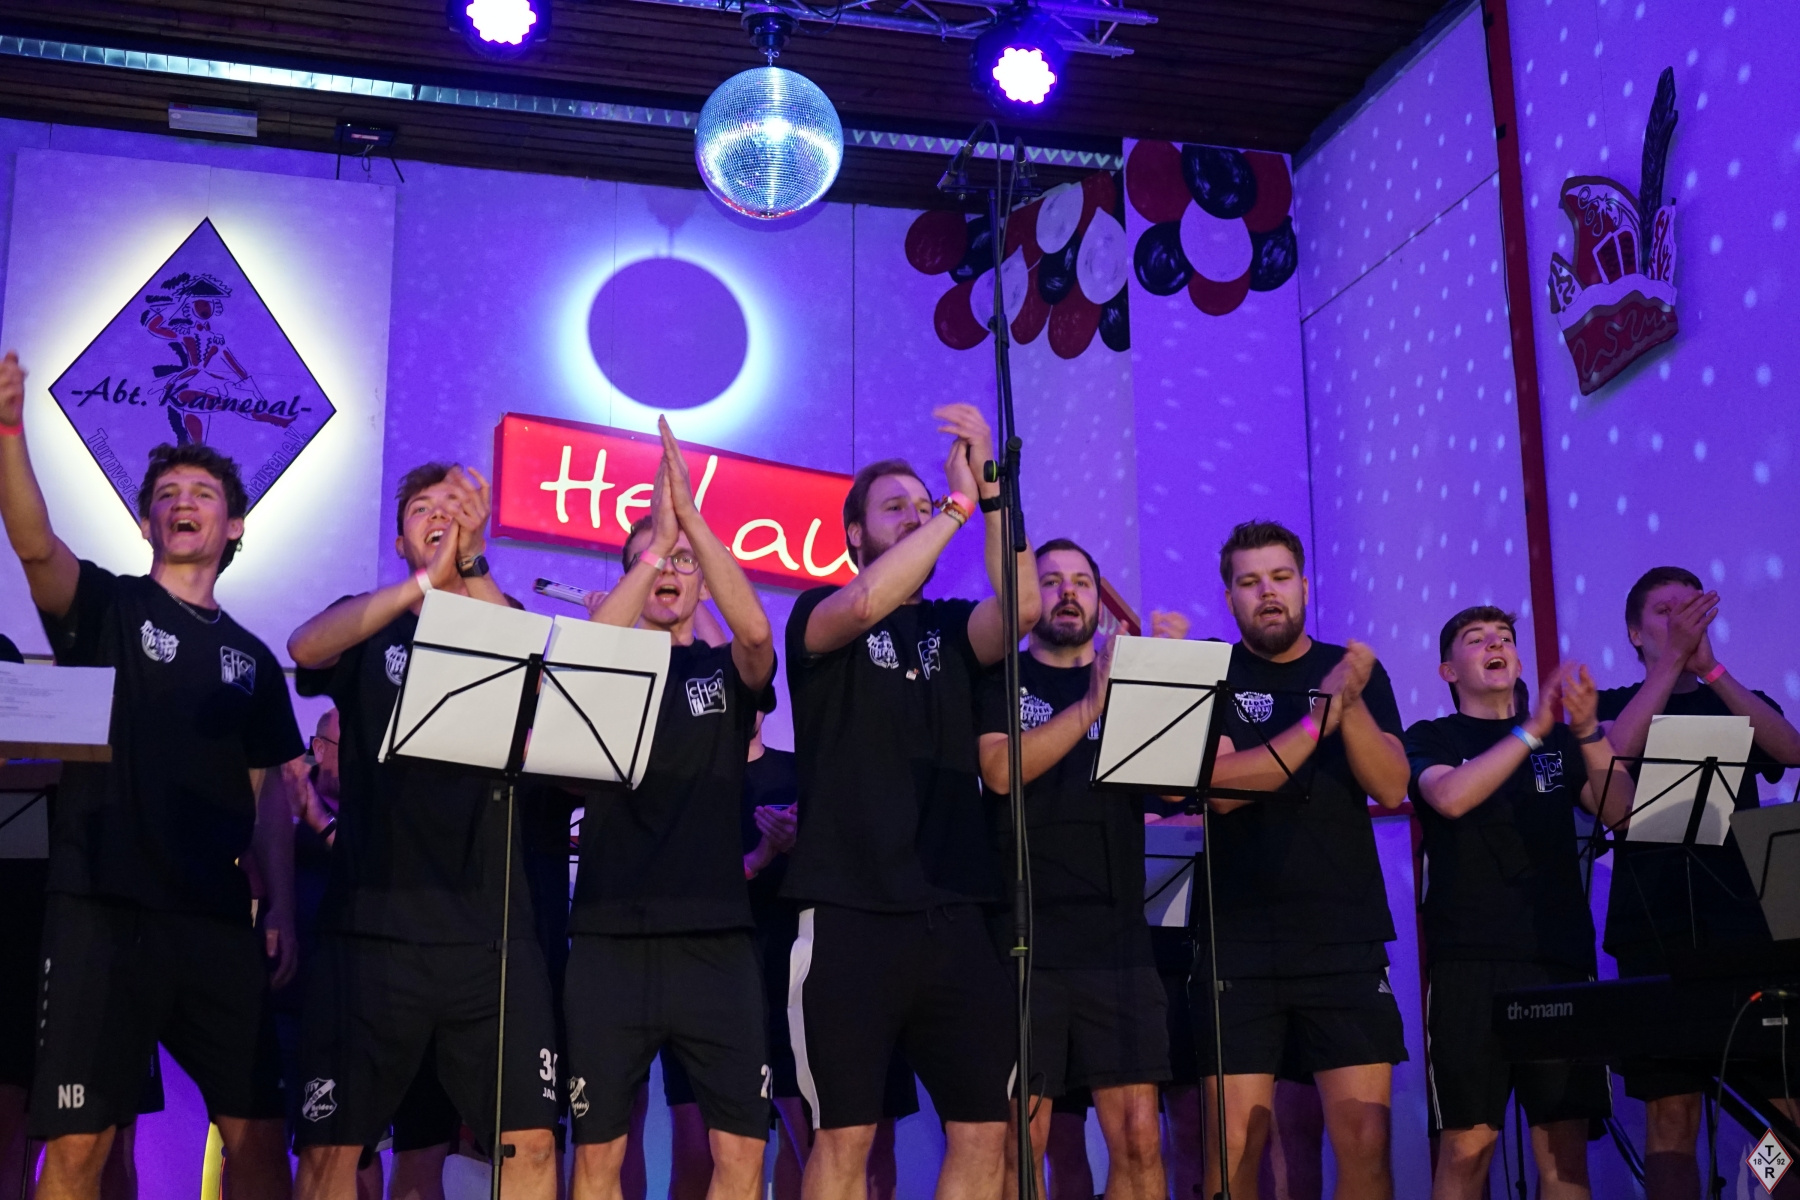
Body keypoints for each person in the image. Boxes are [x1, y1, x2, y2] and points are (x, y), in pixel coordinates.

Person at [0, 351, 302, 1200]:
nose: (182, 502)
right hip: (101, 912)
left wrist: (281, 905)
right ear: (145, 525)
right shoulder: (107, 607)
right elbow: (34, 545)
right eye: (166, 494)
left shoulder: (253, 658)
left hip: (213, 923)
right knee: (78, 1150)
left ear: (233, 526)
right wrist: (10, 431)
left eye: (202, 492)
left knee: (258, 1142)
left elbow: (266, 798)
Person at [783, 403, 1040, 1200]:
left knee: (984, 1133)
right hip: (850, 913)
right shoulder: (817, 613)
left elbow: (1024, 609)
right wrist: (953, 508)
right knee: (846, 1140)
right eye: (895, 507)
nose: (916, 516)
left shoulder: (952, 628)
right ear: (854, 534)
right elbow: (865, 604)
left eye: (921, 506)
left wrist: (990, 490)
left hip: (955, 911)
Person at [288, 461, 559, 1200]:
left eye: (454, 507)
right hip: (373, 930)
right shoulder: (373, 617)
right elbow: (306, 647)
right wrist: (421, 585)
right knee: (332, 1151)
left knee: (532, 1145)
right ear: (400, 538)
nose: (440, 517)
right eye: (422, 509)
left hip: (491, 935)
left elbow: (538, 677)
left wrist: (471, 567)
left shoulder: (498, 615)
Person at [567, 418, 775, 1200]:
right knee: (598, 1157)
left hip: (715, 940)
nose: (669, 568)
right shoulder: (601, 664)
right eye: (652, 559)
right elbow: (588, 650)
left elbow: (757, 634)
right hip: (609, 939)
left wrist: (690, 521)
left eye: (685, 562)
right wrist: (658, 542)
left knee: (740, 1155)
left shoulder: (722, 670)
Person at [1192, 520, 1411, 1200]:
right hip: (1238, 940)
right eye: (1250, 581)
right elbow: (1223, 790)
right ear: (1229, 597)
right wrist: (1319, 718)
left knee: (1366, 1139)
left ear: (1305, 586)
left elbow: (1392, 785)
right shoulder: (1213, 673)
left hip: (1342, 936)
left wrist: (1347, 700)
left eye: (1281, 577)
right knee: (1234, 1148)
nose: (1268, 593)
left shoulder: (1352, 673)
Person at [1406, 607, 1631, 1200]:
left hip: (1557, 958)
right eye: (1476, 640)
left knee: (1563, 1153)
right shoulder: (1432, 736)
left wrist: (1587, 730)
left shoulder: (1558, 740)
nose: (1495, 645)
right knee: (1466, 1148)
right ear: (1448, 670)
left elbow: (1621, 814)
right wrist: (1531, 730)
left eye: (1504, 638)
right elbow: (1450, 796)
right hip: (1468, 964)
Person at [1597, 568, 1800, 1200]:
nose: (1682, 622)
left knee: (1782, 1113)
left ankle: (1766, 1186)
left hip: (1747, 925)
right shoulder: (1612, 705)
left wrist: (1709, 668)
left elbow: (1790, 751)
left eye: (1693, 609)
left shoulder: (1738, 696)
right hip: (1656, 926)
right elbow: (1613, 753)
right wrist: (1669, 666)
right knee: (1672, 1112)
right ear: (1635, 633)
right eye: (1665, 613)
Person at [975, 540, 1167, 1200]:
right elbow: (1000, 772)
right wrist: (1090, 705)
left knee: (1140, 1138)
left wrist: (1165, 678)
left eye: (1082, 582)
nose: (1067, 593)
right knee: (1020, 1144)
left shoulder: (1133, 683)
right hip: (1022, 942)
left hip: (1118, 941)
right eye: (1051, 580)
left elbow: (1176, 787)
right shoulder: (999, 677)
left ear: (1098, 600)